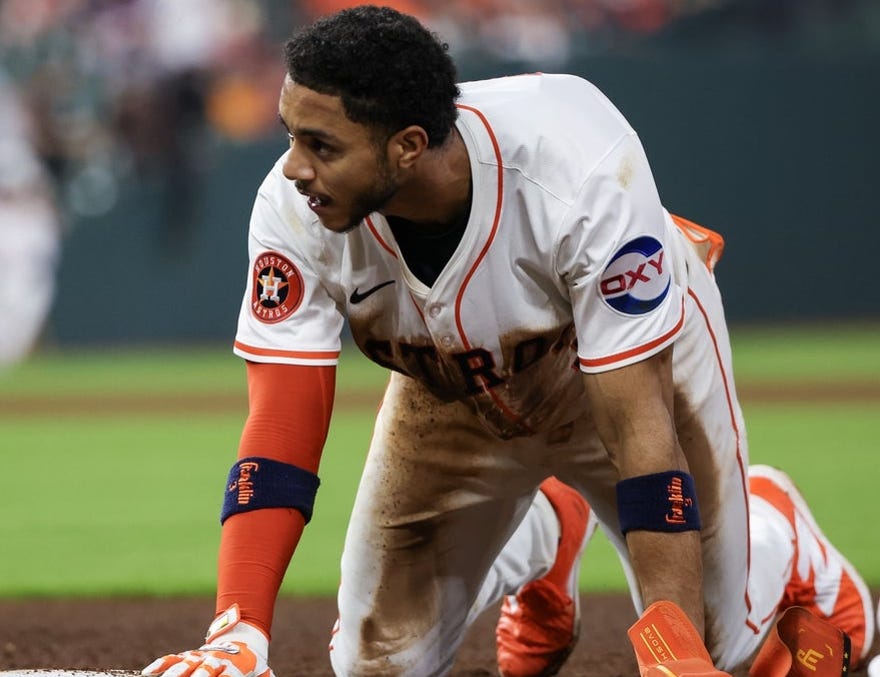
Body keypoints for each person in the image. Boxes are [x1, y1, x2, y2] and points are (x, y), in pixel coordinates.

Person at [142, 6, 875, 677]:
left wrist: (670, 634)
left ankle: (774, 526)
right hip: (452, 386)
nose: (294, 167)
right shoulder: (294, 208)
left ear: (407, 147)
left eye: (321, 144)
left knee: (718, 645)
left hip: (614, 371)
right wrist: (237, 629)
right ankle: (550, 528)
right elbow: (279, 437)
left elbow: (642, 436)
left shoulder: (578, 167)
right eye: (291, 136)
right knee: (376, 668)